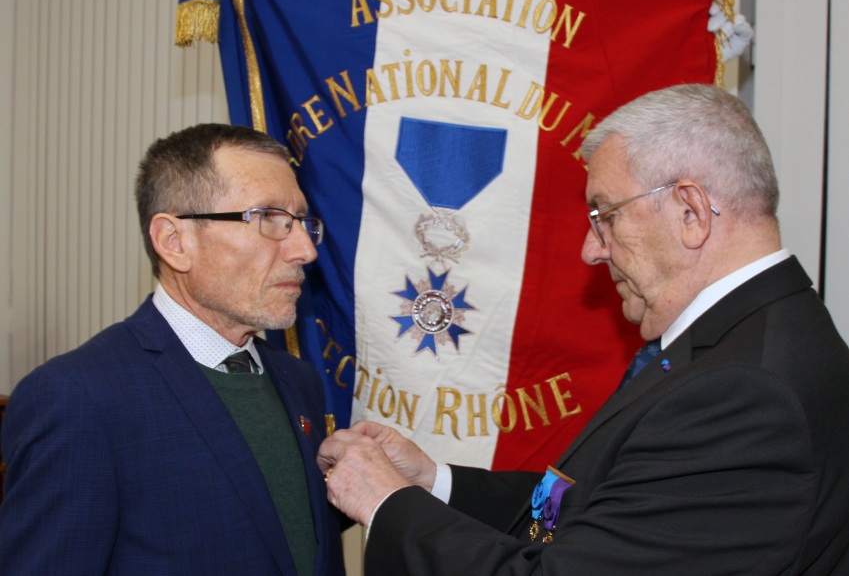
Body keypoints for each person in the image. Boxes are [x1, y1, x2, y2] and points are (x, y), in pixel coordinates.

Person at [317, 84, 849, 575]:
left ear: (691, 212)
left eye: (606, 216)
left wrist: (387, 501)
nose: (591, 250)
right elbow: (591, 501)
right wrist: (434, 482)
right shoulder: (742, 339)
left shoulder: (744, 392)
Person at [0, 124, 345, 575]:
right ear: (174, 242)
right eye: (269, 219)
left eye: (301, 222)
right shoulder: (78, 398)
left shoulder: (296, 380)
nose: (304, 250)